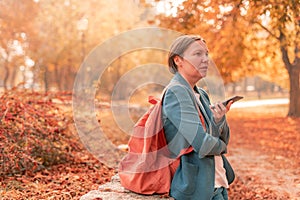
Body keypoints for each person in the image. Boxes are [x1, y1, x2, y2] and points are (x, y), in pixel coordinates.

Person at [162, 35, 235, 200]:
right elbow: (202, 145)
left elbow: (222, 137)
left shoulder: (200, 93)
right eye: (198, 54)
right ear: (178, 60)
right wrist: (222, 146)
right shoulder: (177, 92)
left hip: (218, 181)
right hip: (198, 188)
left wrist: (219, 119)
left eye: (206, 54)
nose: (206, 60)